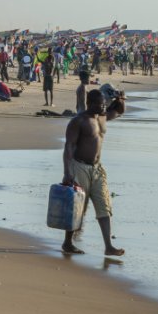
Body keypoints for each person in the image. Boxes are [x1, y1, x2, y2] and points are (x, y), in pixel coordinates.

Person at [61, 88, 126, 256]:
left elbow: (119, 111)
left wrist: (121, 99)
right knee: (78, 208)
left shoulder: (103, 117)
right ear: (90, 104)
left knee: (104, 206)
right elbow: (68, 147)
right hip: (79, 166)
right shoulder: (79, 121)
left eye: (104, 104)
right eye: (100, 104)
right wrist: (67, 173)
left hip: (97, 168)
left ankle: (108, 246)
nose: (103, 107)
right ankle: (68, 242)